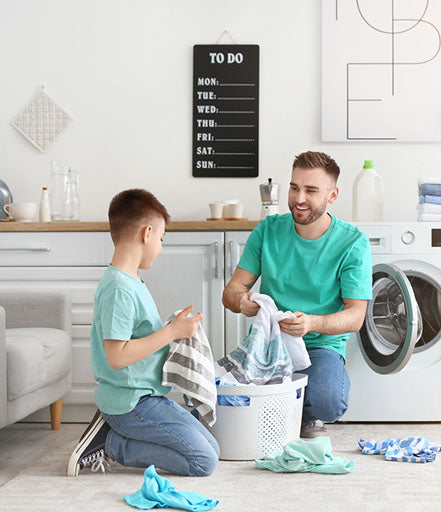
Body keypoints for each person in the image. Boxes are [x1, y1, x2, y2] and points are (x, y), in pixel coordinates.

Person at [66, 189, 219, 477]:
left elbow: (136, 340)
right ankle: (110, 443)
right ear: (147, 233)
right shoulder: (119, 289)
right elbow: (116, 356)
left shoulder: (131, 281)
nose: (161, 246)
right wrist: (172, 332)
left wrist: (176, 331)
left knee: (212, 448)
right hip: (130, 402)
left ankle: (115, 434)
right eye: (161, 238)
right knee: (204, 462)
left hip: (145, 396)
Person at [222, 151, 372, 438]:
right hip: (269, 341)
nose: (299, 198)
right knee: (229, 398)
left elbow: (356, 316)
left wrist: (311, 323)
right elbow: (231, 291)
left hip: (320, 347)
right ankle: (285, 406)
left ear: (333, 194)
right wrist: (242, 301)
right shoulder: (268, 230)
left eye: (311, 190)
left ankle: (292, 407)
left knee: (329, 401)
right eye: (294, 187)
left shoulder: (352, 243)